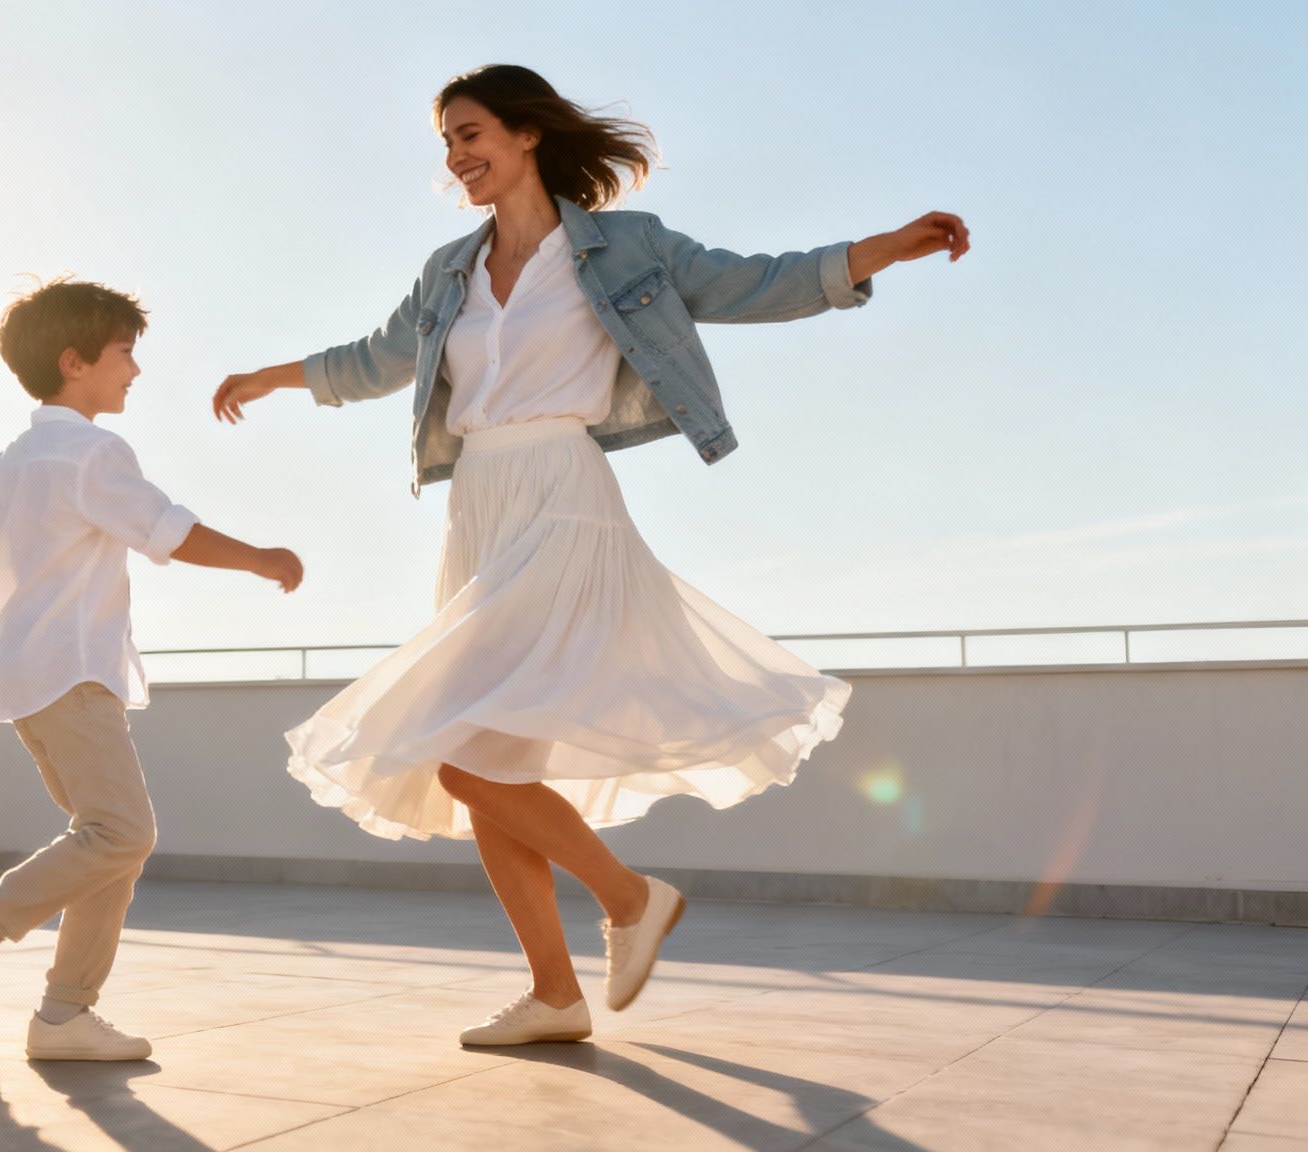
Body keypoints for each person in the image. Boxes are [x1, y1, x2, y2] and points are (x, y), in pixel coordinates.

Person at [211, 64, 968, 1046]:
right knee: (485, 758)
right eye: (444, 141)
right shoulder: (451, 269)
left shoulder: (621, 249)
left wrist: (881, 252)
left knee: (458, 752)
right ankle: (554, 995)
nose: (455, 155)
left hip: (561, 496)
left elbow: (758, 283)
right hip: (475, 507)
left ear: (527, 134)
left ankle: (626, 900)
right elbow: (381, 356)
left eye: (470, 132)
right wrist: (269, 377)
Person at [0, 278, 303, 1060]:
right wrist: (259, 558)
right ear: (74, 361)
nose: (135, 370)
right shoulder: (90, 452)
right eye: (124, 353)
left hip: (28, 686)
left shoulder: (11, 465)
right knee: (123, 833)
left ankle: (64, 1018)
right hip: (72, 677)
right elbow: (166, 528)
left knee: (104, 849)